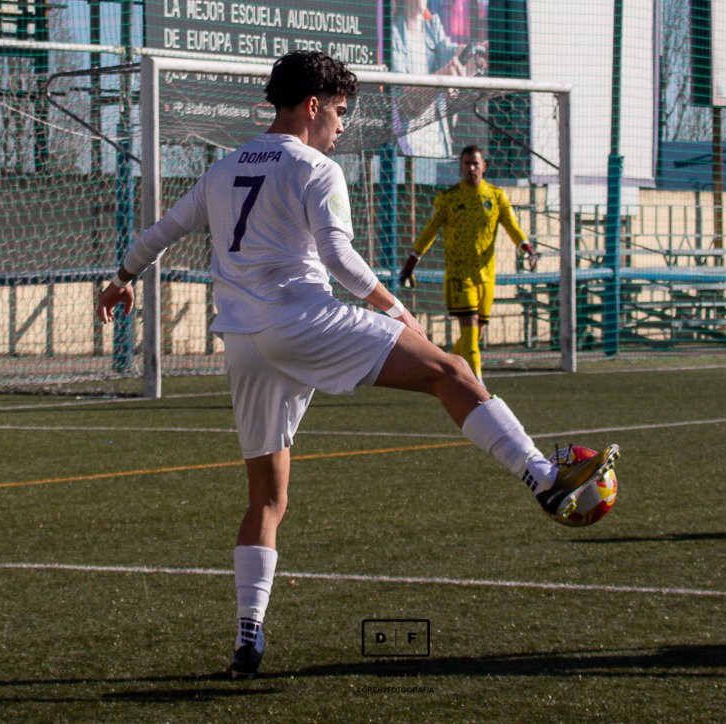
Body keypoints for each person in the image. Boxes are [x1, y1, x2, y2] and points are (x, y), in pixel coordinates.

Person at [97, 51, 617, 680]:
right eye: (339, 113)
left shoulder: (223, 168)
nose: (341, 127)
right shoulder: (314, 166)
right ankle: (540, 476)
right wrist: (396, 308)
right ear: (312, 105)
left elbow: (161, 232)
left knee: (266, 497)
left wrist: (122, 279)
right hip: (302, 322)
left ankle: (247, 639)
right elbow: (339, 256)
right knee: (449, 370)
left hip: (241, 343)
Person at [398, 145, 539, 383]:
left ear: (484, 166)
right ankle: (478, 387)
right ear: (460, 167)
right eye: (466, 163)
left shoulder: (496, 196)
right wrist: (412, 261)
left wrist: (527, 249)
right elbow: (430, 230)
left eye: (475, 163)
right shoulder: (449, 198)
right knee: (471, 327)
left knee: (475, 334)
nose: (471, 168)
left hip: (486, 277)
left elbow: (512, 227)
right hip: (458, 276)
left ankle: (447, 365)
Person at [389, 0, 486, 157]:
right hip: (405, 145)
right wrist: (444, 76)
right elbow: (406, 102)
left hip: (437, 144)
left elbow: (453, 55)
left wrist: (477, 53)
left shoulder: (432, 27)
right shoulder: (393, 36)